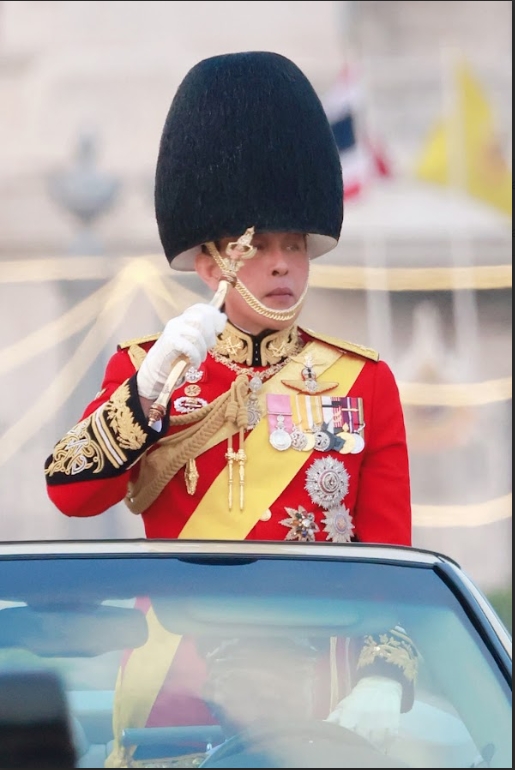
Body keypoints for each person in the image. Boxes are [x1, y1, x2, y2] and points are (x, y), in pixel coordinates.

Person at [43, 51, 415, 767]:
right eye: (259, 247)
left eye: (294, 245)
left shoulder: (362, 383)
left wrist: (384, 676)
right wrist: (145, 392)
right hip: (171, 698)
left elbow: (388, 563)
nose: (281, 264)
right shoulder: (149, 369)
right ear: (211, 262)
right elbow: (70, 494)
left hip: (319, 701)